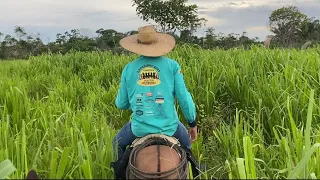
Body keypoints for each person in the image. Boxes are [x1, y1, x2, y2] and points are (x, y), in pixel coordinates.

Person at [112, 25, 198, 162]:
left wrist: (138, 104)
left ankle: (118, 174)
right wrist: (192, 123)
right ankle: (195, 170)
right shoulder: (173, 66)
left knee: (116, 144)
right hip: (170, 127)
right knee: (187, 145)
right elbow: (184, 98)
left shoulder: (128, 69)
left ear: (138, 45)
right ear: (158, 43)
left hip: (138, 128)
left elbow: (121, 103)